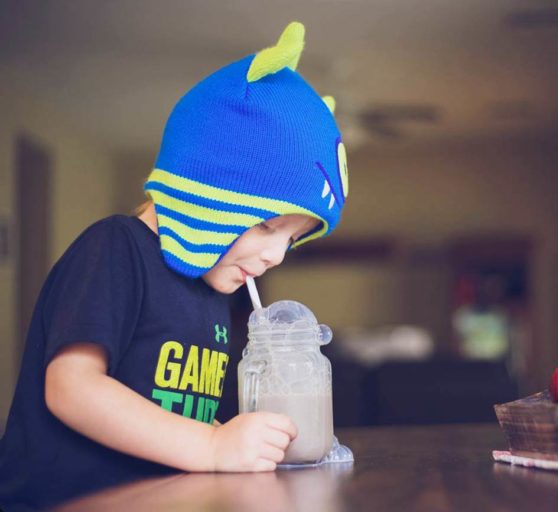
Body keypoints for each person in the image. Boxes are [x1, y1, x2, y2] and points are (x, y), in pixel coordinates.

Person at [0, 21, 350, 510]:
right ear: (209, 192)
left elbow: (169, 408)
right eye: (268, 225)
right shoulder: (116, 250)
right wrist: (210, 446)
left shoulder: (211, 293)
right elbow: (70, 389)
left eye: (292, 239)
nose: (275, 255)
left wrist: (230, 438)